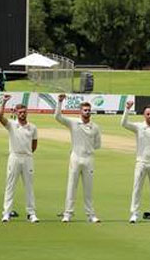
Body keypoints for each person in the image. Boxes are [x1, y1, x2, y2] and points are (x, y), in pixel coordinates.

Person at [55, 94, 102, 223]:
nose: (87, 112)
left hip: (89, 159)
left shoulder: (95, 127)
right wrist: (59, 102)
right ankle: (68, 214)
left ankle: (91, 215)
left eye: (88, 110)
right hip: (75, 158)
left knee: (88, 188)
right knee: (71, 187)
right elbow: (58, 117)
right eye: (84, 110)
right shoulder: (73, 122)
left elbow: (97, 145)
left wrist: (87, 149)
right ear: (80, 111)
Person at [120, 101, 150, 224]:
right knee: (137, 188)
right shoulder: (139, 127)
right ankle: (134, 213)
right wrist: (127, 109)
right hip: (141, 162)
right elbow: (123, 123)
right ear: (144, 115)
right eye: (148, 114)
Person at [0, 95, 39, 223]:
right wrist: (4, 102)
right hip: (14, 157)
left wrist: (26, 153)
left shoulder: (32, 127)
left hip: (27, 158)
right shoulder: (11, 124)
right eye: (20, 112)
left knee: (29, 186)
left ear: (27, 113)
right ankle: (6, 213)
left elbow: (34, 145)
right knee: (10, 186)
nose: (22, 114)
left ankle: (31, 213)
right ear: (16, 113)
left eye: (24, 112)